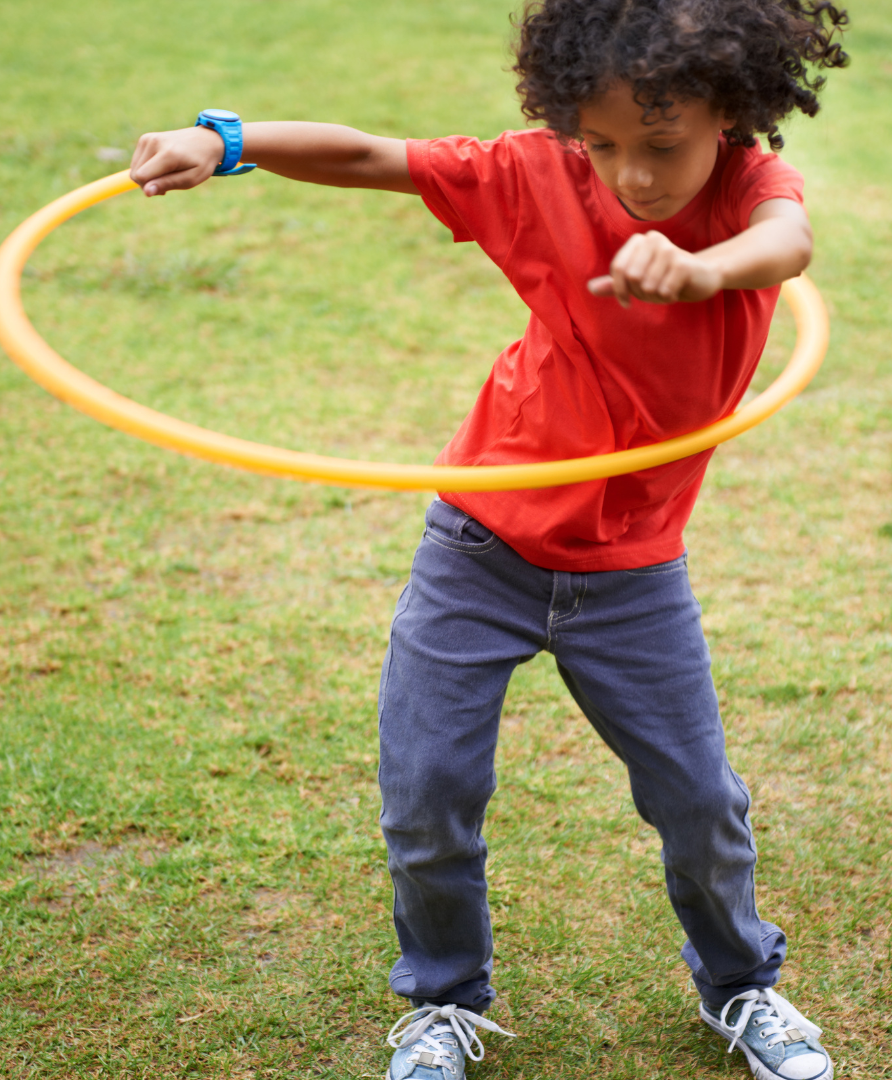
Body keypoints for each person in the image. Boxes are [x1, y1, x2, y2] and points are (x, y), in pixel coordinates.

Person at [129, 2, 848, 1077]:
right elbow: (376, 154)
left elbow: (786, 244)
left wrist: (702, 271)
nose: (633, 178)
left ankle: (743, 988)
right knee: (427, 794)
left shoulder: (750, 189)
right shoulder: (539, 175)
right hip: (482, 546)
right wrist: (224, 140)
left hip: (633, 568)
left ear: (731, 116)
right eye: (603, 145)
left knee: (701, 804)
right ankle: (443, 1001)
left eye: (663, 146)